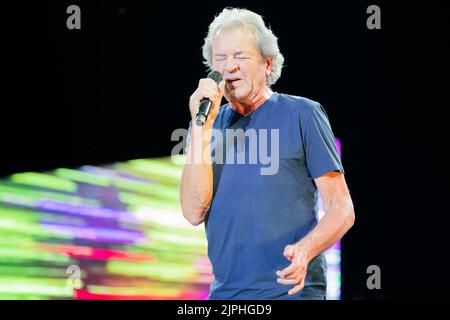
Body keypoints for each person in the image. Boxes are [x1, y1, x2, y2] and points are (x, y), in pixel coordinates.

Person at [180, 8, 355, 300]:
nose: (229, 67)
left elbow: (342, 208)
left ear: (267, 63)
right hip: (225, 297)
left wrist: (305, 249)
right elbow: (192, 212)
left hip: (292, 292)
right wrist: (200, 130)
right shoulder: (205, 126)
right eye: (220, 59)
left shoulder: (303, 114)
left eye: (240, 56)